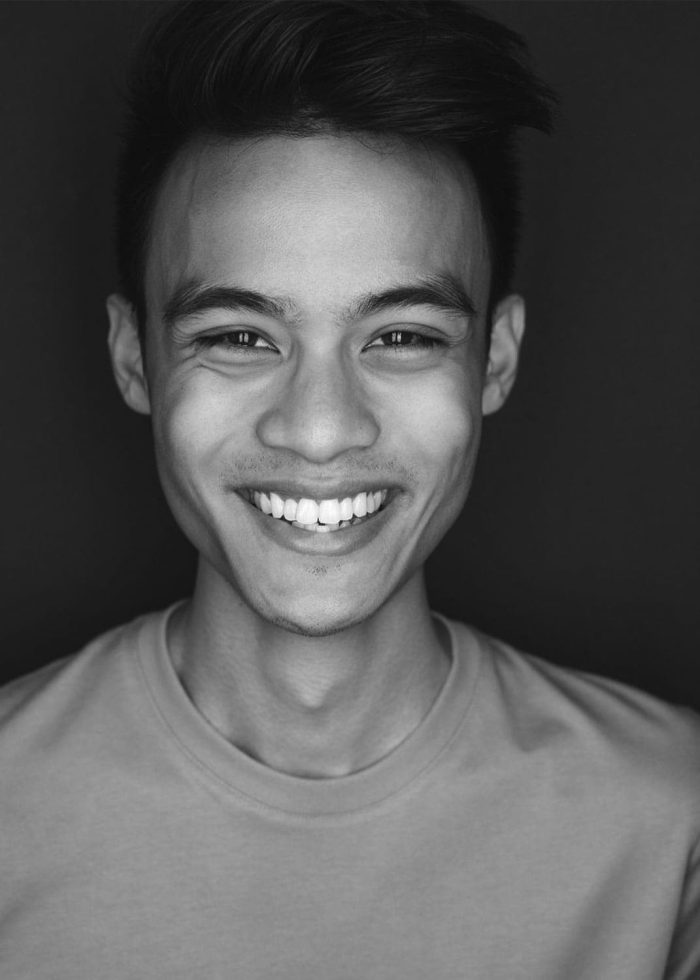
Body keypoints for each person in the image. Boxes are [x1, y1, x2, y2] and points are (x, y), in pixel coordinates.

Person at [1, 1, 698, 976]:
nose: (321, 426)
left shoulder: (674, 821)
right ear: (135, 358)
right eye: (239, 336)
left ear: (493, 361)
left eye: (403, 336)